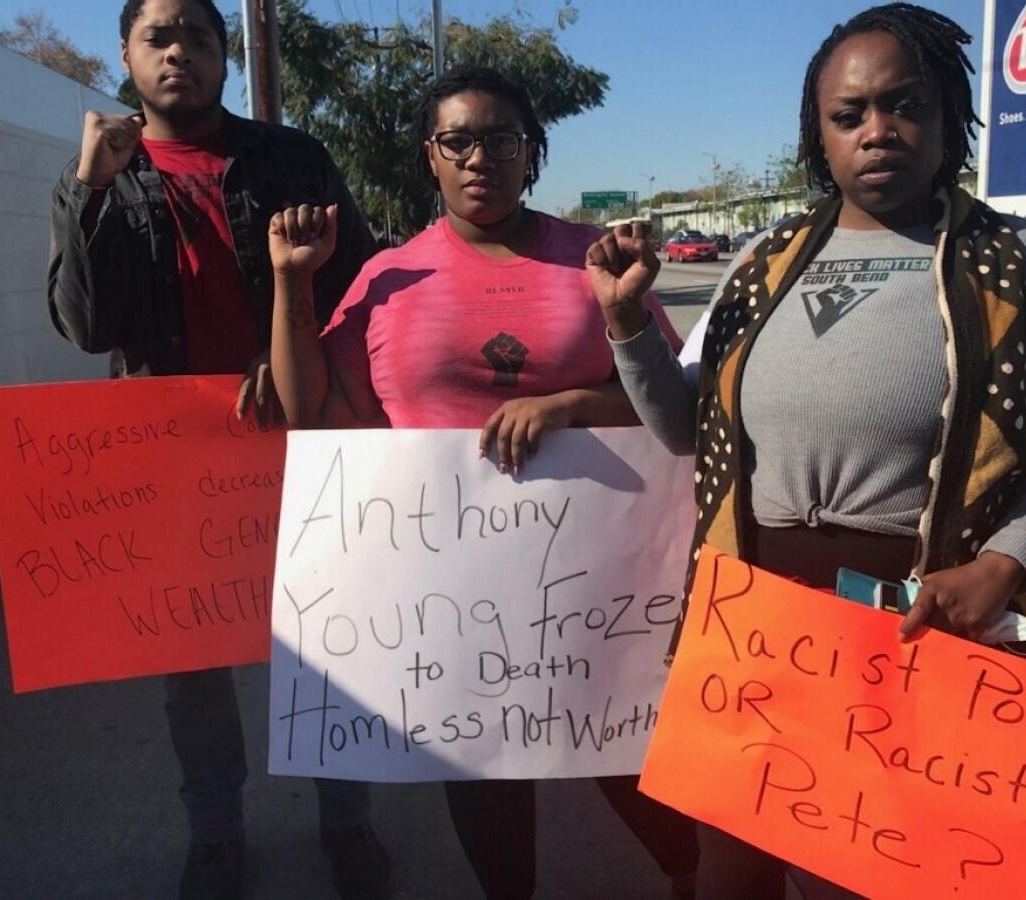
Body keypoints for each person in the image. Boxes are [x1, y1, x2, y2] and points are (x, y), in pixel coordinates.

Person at [585, 4, 1026, 898]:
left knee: (900, 874)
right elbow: (686, 428)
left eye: (903, 104)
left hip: (924, 619)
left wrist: (1008, 564)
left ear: (946, 115)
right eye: (850, 115)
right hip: (758, 617)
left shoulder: (1021, 258)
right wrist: (625, 326)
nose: (878, 130)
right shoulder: (764, 258)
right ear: (820, 134)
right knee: (736, 870)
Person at [266, 66, 701, 899]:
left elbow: (675, 404)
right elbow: (310, 412)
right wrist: (292, 282)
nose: (479, 158)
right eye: (456, 141)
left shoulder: (596, 260)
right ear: (429, 157)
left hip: (603, 569)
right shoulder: (386, 278)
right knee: (482, 773)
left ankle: (689, 879)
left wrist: (572, 403)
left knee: (626, 753)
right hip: (450, 587)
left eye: (500, 139)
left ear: (531, 151)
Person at [46, 2, 387, 898]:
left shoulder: (289, 158)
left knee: (326, 645)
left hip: (297, 444)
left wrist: (285, 354)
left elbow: (360, 285)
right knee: (191, 667)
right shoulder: (98, 176)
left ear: (224, 55)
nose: (178, 53)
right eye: (158, 37)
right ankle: (216, 835)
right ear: (123, 54)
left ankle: (346, 824)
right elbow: (86, 328)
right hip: (170, 464)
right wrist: (88, 189)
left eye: (198, 37)